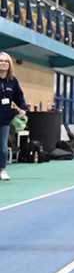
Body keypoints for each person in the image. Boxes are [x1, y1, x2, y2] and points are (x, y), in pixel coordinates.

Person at [0, 52, 27, 181]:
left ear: (9, 64)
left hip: (4, 120)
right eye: (1, 61)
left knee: (3, 148)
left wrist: (23, 109)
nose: (4, 63)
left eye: (6, 61)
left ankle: (2, 170)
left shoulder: (13, 81)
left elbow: (19, 97)